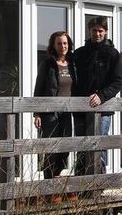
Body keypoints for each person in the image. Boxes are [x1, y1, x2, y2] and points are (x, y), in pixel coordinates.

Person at [73, 17, 122, 175]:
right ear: (89, 31)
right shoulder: (79, 53)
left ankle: (98, 187)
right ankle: (80, 187)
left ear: (106, 32)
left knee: (99, 147)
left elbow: (118, 81)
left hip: (103, 111)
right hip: (80, 110)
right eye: (94, 30)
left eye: (101, 31)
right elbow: (73, 80)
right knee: (82, 148)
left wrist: (101, 96)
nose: (97, 34)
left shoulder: (113, 54)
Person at [33, 31, 76, 186]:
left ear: (68, 44)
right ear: (53, 45)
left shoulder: (73, 64)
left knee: (65, 147)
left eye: (65, 43)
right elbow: (39, 88)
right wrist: (37, 113)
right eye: (59, 43)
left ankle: (57, 180)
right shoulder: (48, 64)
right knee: (51, 148)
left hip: (67, 112)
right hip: (50, 112)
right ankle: (48, 185)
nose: (62, 46)